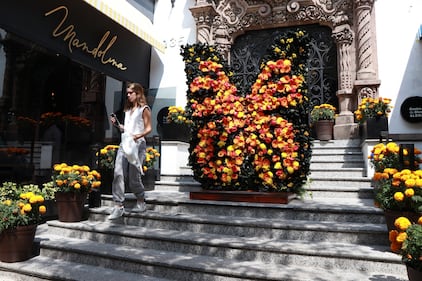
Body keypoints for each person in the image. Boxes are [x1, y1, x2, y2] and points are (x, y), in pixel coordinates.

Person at [108, 82, 152, 220]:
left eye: (130, 93)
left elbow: (148, 128)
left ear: (138, 93)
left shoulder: (144, 109)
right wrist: (118, 125)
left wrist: (136, 136)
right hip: (124, 143)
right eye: (127, 93)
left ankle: (140, 198)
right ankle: (118, 205)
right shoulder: (127, 110)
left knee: (134, 177)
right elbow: (127, 128)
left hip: (138, 145)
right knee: (118, 173)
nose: (128, 95)